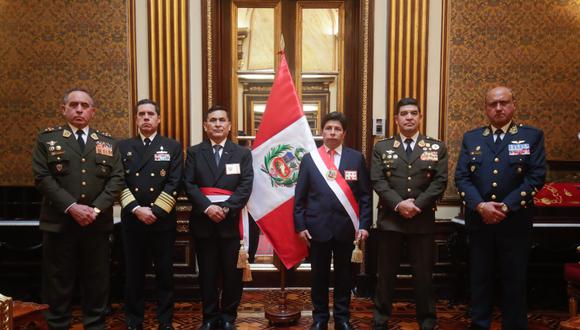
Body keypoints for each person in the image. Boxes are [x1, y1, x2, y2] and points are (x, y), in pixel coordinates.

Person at [31, 88, 124, 330]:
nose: (79, 109)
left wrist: (93, 210)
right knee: (57, 281)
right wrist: (72, 207)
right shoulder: (48, 140)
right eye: (74, 105)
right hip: (60, 223)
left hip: (96, 224)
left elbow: (116, 179)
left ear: (93, 112)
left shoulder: (107, 142)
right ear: (64, 109)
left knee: (97, 281)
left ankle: (95, 325)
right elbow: (42, 178)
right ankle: (57, 324)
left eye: (85, 105)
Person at [455, 86, 546, 330]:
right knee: (480, 280)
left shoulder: (531, 136)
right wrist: (481, 206)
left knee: (514, 281)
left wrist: (506, 206)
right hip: (480, 222)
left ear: (513, 105)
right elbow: (462, 178)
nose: (498, 108)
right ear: (485, 108)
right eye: (493, 104)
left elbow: (536, 177)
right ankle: (479, 325)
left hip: (515, 222)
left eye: (503, 103)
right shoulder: (472, 138)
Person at [370, 98, 448, 330]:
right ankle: (380, 320)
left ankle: (427, 321)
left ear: (420, 117)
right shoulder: (381, 147)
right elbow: (378, 180)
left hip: (421, 220)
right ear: (396, 119)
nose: (409, 117)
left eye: (414, 113)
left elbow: (440, 182)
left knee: (423, 275)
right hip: (391, 220)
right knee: (385, 275)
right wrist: (399, 204)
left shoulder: (436, 147)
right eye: (404, 113)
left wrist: (417, 205)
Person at [294, 111, 372, 330]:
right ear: (322, 132)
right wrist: (300, 226)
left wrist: (364, 225)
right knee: (318, 276)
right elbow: (300, 197)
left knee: (344, 277)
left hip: (346, 228)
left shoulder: (355, 158)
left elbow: (365, 196)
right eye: (328, 128)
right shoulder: (310, 159)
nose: (332, 132)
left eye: (337, 129)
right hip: (316, 229)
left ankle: (342, 317)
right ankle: (320, 317)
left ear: (344, 133)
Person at [184, 106, 253, 330]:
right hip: (204, 223)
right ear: (205, 126)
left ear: (229, 126)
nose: (217, 124)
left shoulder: (242, 153)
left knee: (233, 274)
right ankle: (209, 317)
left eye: (222, 120)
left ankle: (228, 317)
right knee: (207, 273)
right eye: (212, 120)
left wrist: (225, 209)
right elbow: (189, 184)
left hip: (231, 223)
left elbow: (246, 186)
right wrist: (207, 208)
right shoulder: (194, 152)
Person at [119, 99, 183, 330]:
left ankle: (164, 320)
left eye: (150, 114)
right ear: (136, 119)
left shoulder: (172, 147)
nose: (146, 118)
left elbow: (174, 182)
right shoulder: (123, 146)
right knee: (134, 272)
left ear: (158, 119)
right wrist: (137, 210)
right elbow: (119, 182)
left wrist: (154, 211)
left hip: (162, 221)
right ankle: (134, 319)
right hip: (133, 219)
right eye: (141, 114)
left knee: (164, 272)